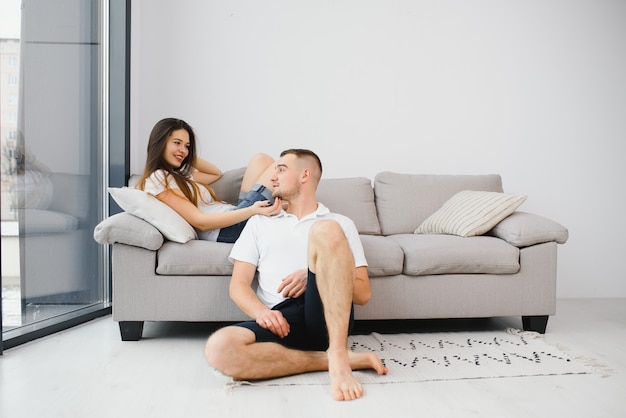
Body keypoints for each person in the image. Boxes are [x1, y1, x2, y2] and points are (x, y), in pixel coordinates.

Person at [204, 149, 387, 401]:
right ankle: (333, 359)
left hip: (325, 316)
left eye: (280, 169)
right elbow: (239, 285)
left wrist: (315, 276)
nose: (273, 177)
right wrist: (262, 314)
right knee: (219, 348)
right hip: (279, 319)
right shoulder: (259, 222)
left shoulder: (339, 223)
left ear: (305, 175)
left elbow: (363, 293)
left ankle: (337, 352)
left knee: (325, 229)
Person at [135, 118, 282, 243]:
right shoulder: (158, 179)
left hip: (232, 215)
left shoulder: (178, 177)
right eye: (177, 143)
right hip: (225, 229)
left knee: (261, 159)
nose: (183, 150)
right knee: (282, 165)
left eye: (187, 146)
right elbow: (200, 222)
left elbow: (215, 174)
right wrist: (252, 210)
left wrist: (187, 156)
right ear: (160, 143)